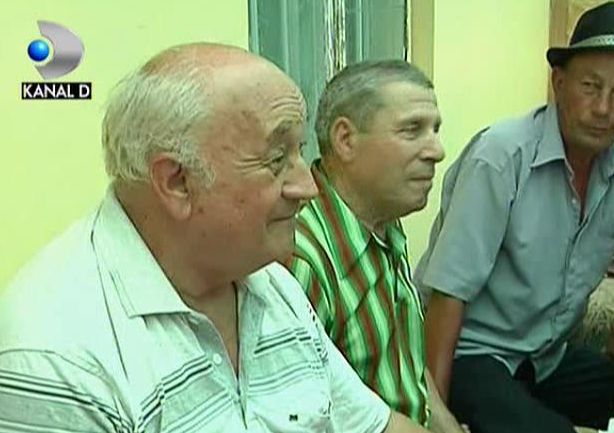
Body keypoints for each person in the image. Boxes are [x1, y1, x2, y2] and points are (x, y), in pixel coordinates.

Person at [0, 43, 429, 432]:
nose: (308, 187)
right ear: (177, 182)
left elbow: (373, 426)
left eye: (301, 152)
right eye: (277, 159)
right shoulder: (58, 358)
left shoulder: (268, 283)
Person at [415, 3, 614, 433]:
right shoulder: (502, 156)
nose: (603, 108)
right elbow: (448, 292)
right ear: (559, 83)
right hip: (473, 355)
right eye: (590, 86)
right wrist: (437, 415)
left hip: (544, 359)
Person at [286, 60, 465, 433]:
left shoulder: (383, 221)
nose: (437, 150)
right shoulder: (303, 259)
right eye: (412, 130)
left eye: (435, 129)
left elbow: (408, 369)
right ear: (345, 140)